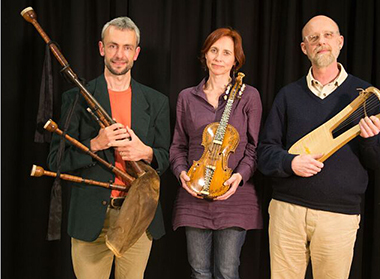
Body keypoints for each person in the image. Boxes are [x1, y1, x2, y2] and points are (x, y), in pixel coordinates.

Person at [257, 15, 380, 279]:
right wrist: (290, 162)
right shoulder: (288, 95)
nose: (322, 42)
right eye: (313, 38)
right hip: (287, 212)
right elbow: (265, 152)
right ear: (304, 48)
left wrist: (371, 139)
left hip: (338, 217)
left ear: (340, 42)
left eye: (328, 35)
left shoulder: (364, 95)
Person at [48, 17, 170, 279]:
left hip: (138, 216)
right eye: (113, 46)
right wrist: (95, 144)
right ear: (101, 48)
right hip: (92, 217)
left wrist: (145, 152)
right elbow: (55, 161)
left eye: (127, 47)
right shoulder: (76, 98)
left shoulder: (157, 102)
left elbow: (165, 157)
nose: (119, 54)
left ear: (136, 53)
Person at [169, 27, 262, 279]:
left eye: (226, 53)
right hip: (194, 194)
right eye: (214, 51)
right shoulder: (187, 97)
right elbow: (178, 145)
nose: (219, 58)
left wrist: (239, 177)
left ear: (235, 60)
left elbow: (254, 147)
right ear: (205, 55)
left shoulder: (249, 96)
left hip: (234, 196)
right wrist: (181, 174)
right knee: (199, 271)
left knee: (227, 271)